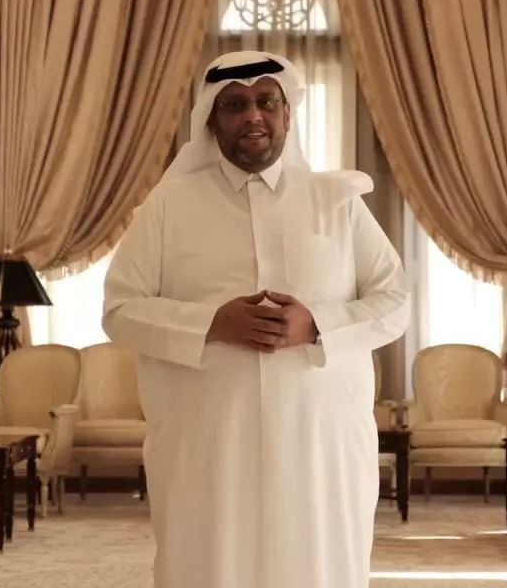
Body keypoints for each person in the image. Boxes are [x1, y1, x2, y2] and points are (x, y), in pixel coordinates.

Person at [102, 51, 410, 588]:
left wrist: (316, 325)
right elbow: (119, 310)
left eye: (267, 102)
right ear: (210, 119)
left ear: (287, 113)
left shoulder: (335, 202)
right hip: (208, 441)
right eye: (235, 105)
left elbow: (395, 300)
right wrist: (211, 324)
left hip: (321, 441)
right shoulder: (168, 205)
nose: (253, 116)